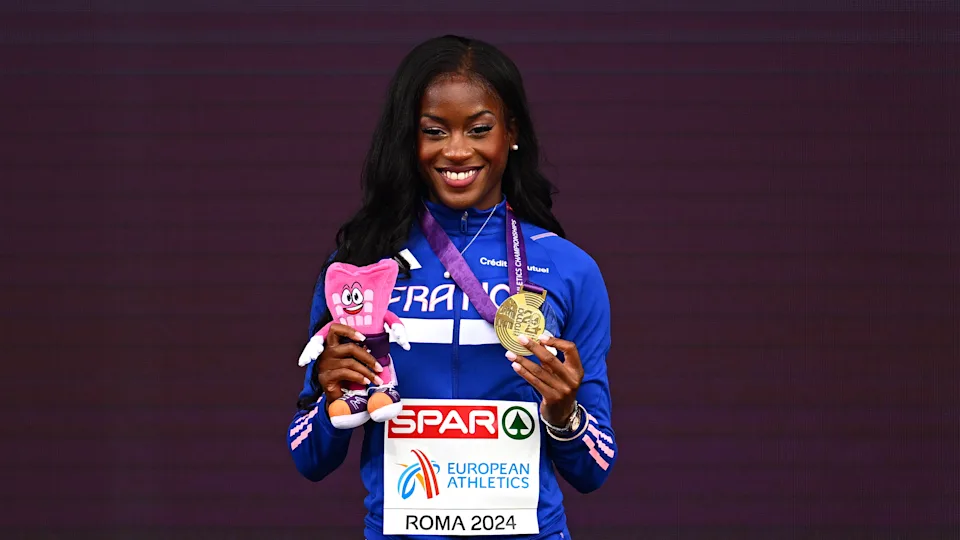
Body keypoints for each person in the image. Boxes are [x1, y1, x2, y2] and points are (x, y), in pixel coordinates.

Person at [287, 35, 617, 540]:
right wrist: (331, 404)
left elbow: (595, 469)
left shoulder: (570, 270)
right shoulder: (360, 268)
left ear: (511, 133)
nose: (457, 150)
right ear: (409, 139)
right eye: (434, 131)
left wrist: (564, 414)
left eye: (479, 129)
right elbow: (307, 457)